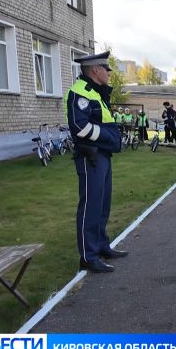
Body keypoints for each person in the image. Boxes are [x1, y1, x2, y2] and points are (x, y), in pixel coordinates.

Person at [65, 51, 128, 273]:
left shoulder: (95, 92)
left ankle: (101, 245)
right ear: (95, 70)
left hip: (102, 155)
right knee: (91, 206)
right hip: (90, 156)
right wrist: (108, 138)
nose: (109, 73)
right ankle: (88, 256)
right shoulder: (79, 93)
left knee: (102, 204)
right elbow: (80, 127)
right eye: (106, 69)